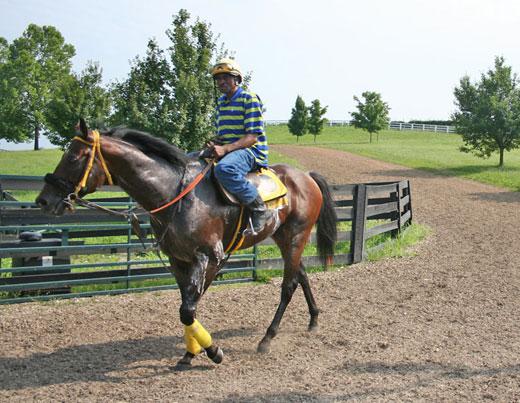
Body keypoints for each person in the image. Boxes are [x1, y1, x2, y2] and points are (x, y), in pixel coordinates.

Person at [208, 58, 270, 235]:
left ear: (237, 79)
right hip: (230, 150)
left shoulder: (249, 99)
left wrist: (225, 149)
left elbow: (252, 137)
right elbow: (224, 135)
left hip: (251, 152)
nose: (221, 82)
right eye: (218, 79)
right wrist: (214, 142)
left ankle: (259, 209)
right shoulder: (221, 102)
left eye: (226, 77)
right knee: (189, 160)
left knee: (224, 169)